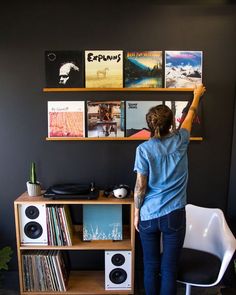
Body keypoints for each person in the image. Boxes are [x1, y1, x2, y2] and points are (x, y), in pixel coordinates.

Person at [133, 84, 206, 295]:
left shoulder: (143, 150)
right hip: (174, 215)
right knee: (169, 267)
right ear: (170, 124)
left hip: (148, 215)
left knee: (150, 265)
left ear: (149, 125)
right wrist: (196, 96)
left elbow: (140, 187)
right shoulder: (181, 140)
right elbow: (190, 117)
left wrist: (137, 213)